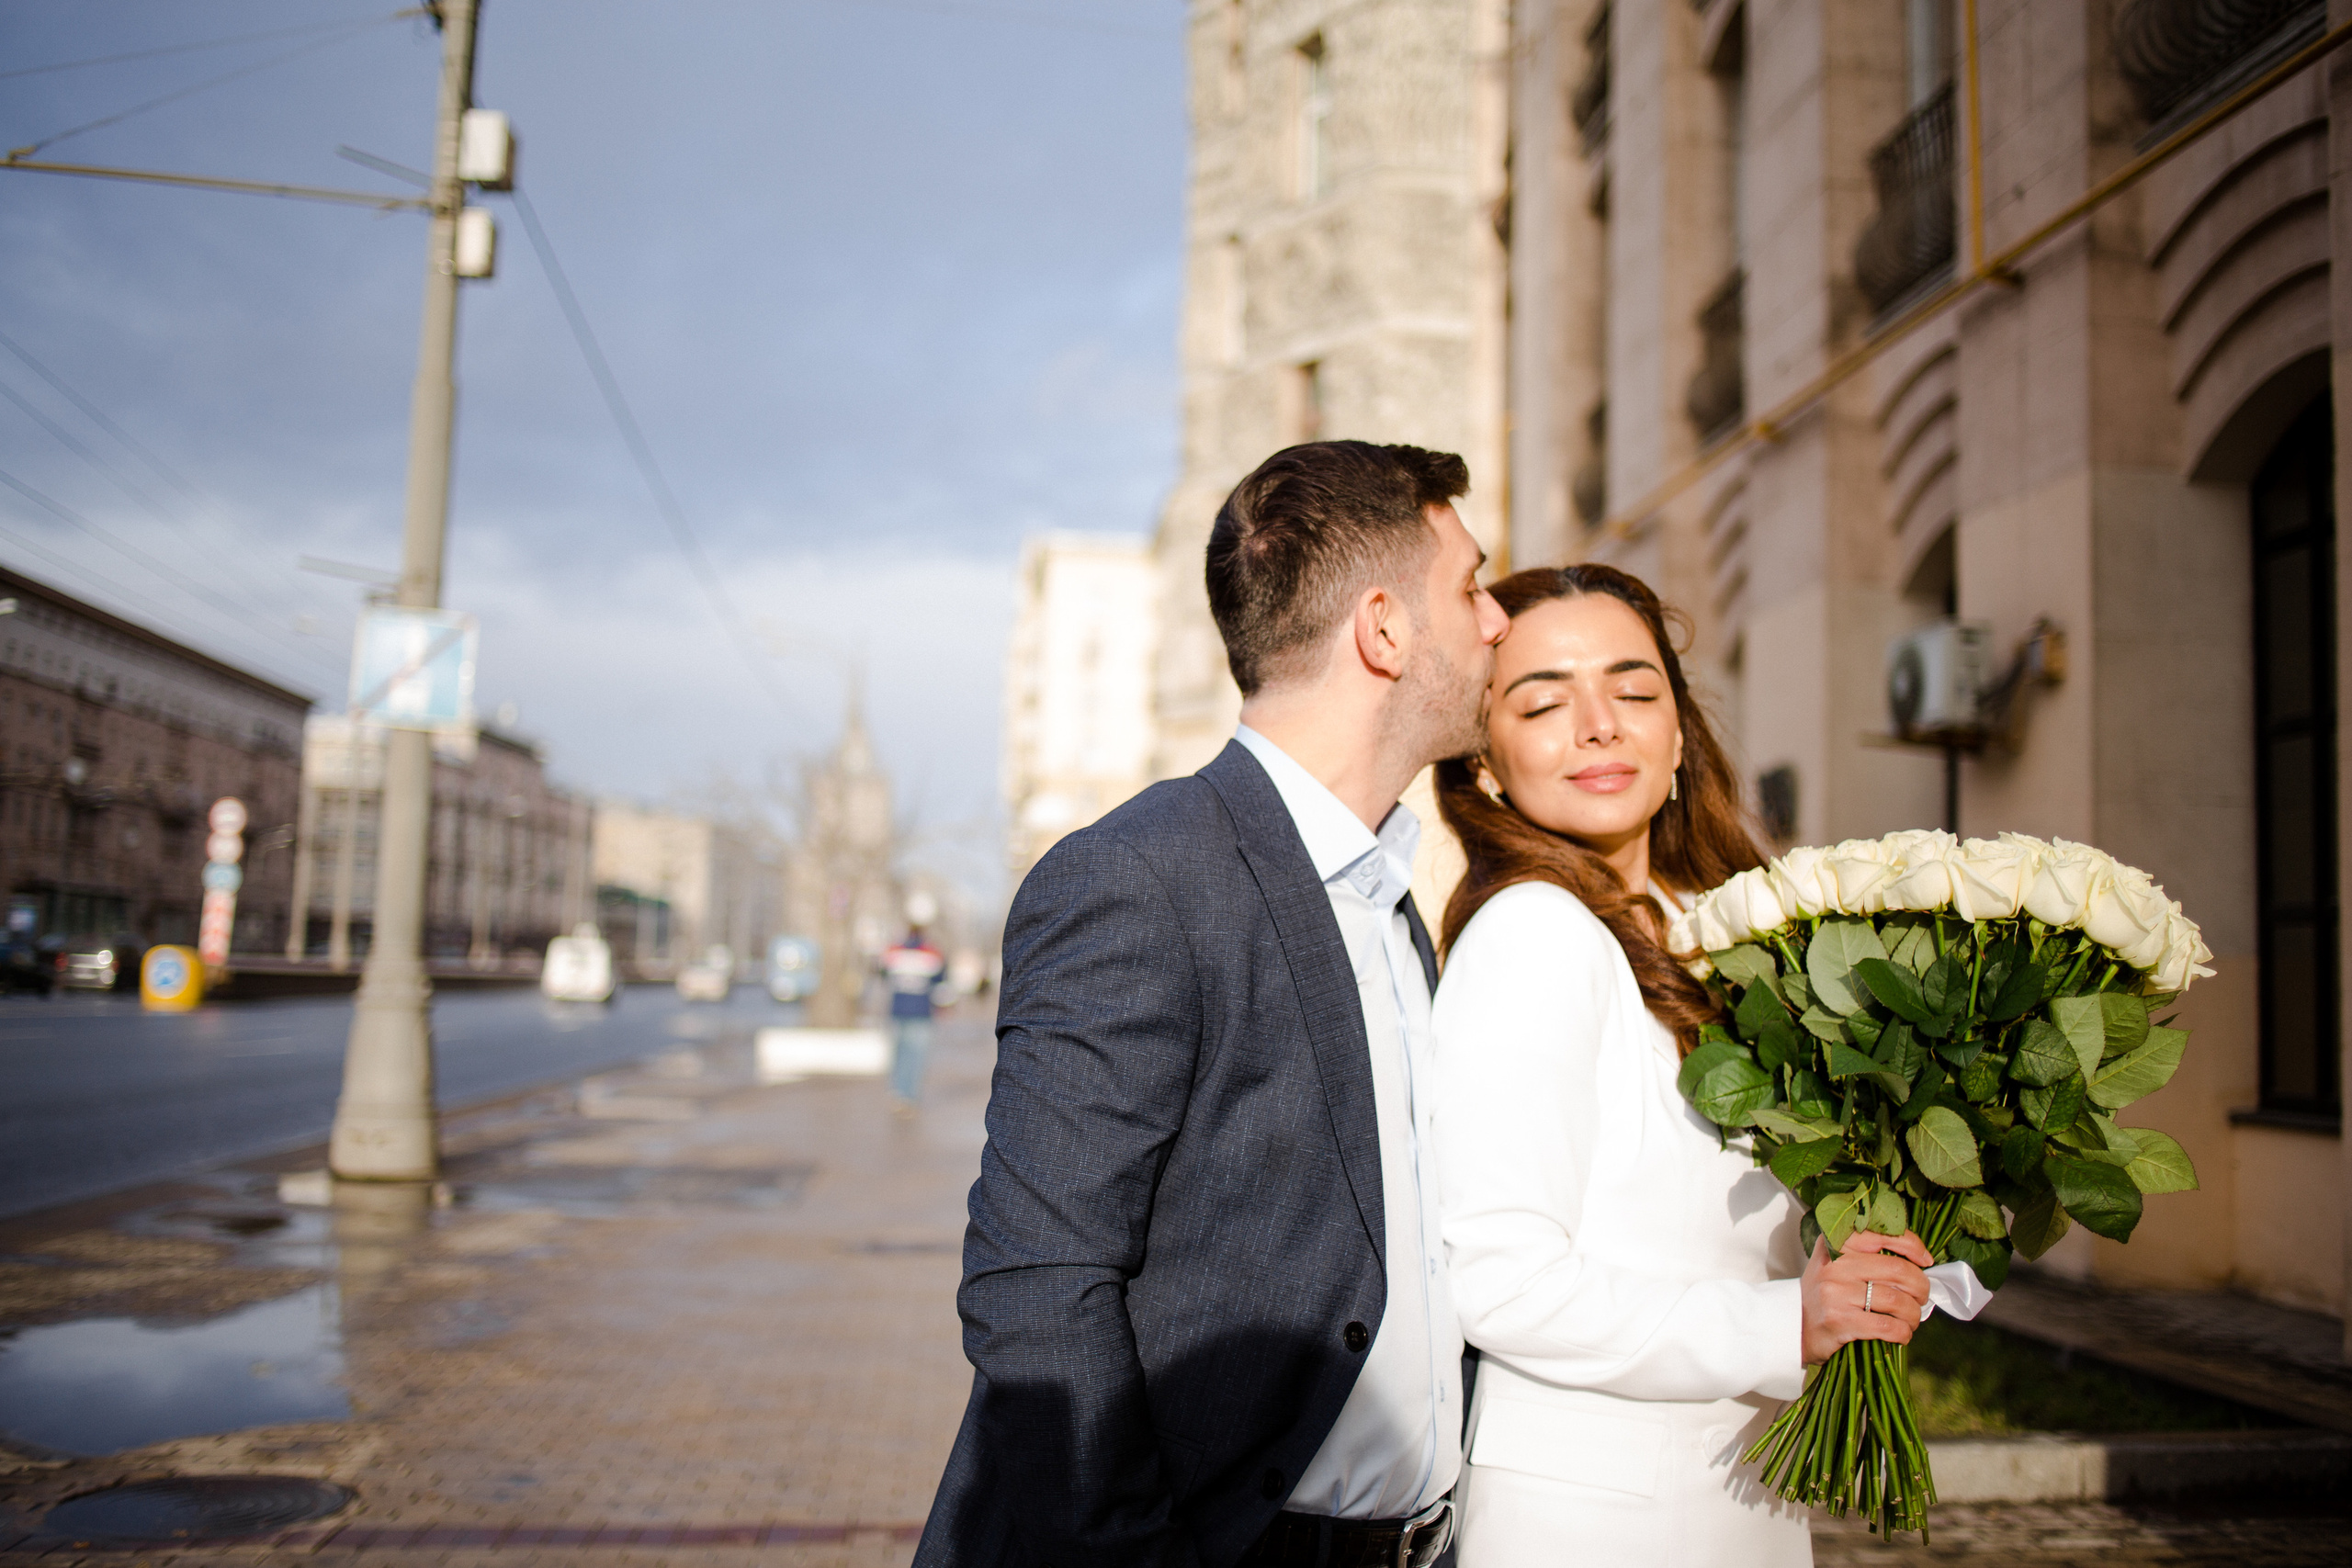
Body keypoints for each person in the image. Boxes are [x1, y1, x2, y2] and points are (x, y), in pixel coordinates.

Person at [915, 441, 1510, 1568]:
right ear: (1384, 630)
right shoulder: (1138, 878)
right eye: (1471, 586)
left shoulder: (1388, 897)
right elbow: (1037, 1290)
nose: (1495, 624)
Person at [1428, 565, 1934, 1565]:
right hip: (1593, 1517)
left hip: (1737, 1497)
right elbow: (1498, 1280)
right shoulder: (1533, 934)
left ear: (1676, 732)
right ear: (1485, 758)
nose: (1599, 724)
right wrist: (1787, 1322)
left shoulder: (1721, 936)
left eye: (1632, 690)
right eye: (1542, 701)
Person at [880, 926, 948, 1112]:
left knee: (899, 1054)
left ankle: (898, 1092)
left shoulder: (894, 951)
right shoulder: (932, 954)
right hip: (921, 1012)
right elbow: (941, 984)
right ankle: (910, 1096)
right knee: (916, 1056)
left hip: (898, 1010)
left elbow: (882, 972)